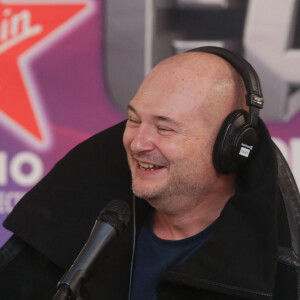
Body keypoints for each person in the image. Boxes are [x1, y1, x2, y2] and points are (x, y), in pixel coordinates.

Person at [0, 47, 300, 300]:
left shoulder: (283, 270)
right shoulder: (85, 224)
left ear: (232, 144)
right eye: (133, 120)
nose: (137, 143)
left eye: (165, 128)